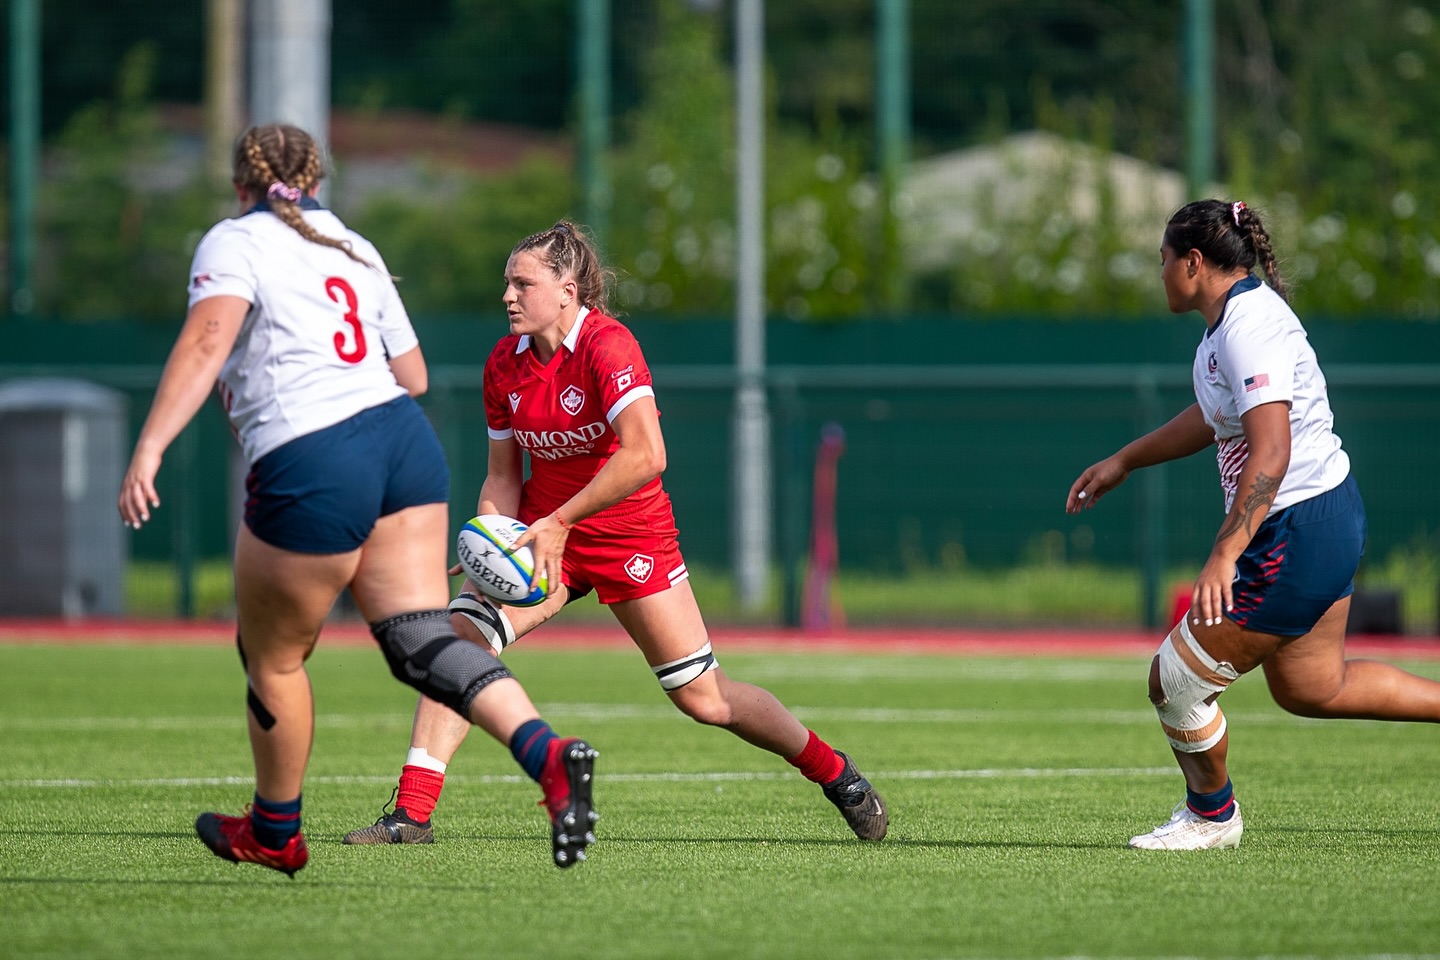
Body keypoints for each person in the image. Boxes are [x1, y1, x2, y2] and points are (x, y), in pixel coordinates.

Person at [117, 125, 599, 876]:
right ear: (317, 179)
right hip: (403, 443)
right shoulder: (353, 246)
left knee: (273, 654)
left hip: (314, 452)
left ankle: (275, 831)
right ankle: (549, 756)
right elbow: (411, 376)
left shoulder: (234, 241)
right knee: (423, 642)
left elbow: (207, 343)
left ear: (242, 184)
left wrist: (149, 447)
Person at [342, 220, 888, 846]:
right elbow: (502, 476)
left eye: (523, 283)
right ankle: (410, 816)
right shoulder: (504, 364)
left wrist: (558, 521)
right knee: (458, 642)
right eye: (506, 283)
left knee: (706, 700)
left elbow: (646, 454)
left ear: (568, 289)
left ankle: (835, 772)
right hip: (546, 541)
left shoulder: (608, 346)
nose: (508, 296)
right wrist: (492, 538)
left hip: (630, 537)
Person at [1066, 199, 1440, 850]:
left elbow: (1271, 451)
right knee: (1312, 688)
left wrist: (1225, 553)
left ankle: (1212, 816)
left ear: (1193, 261)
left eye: (1162, 261)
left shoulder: (1248, 326)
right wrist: (1125, 460)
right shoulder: (1232, 324)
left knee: (1174, 680)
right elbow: (1213, 419)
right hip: (1321, 517)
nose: (1159, 274)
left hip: (1296, 528)